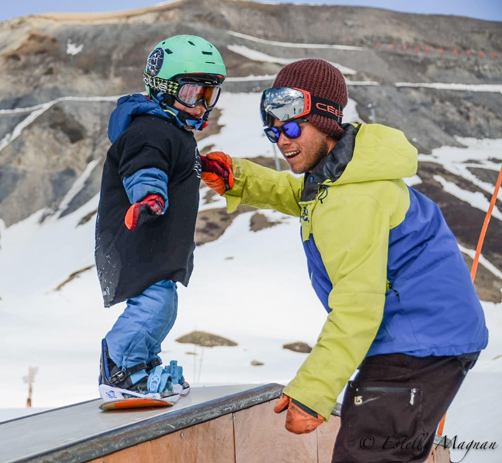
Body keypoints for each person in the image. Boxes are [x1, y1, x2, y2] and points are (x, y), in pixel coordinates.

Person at [200, 58, 488, 462]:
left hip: (421, 345)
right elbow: (305, 196)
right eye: (274, 131)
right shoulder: (346, 171)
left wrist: (312, 392)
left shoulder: (354, 198)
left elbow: (357, 307)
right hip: (429, 335)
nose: (282, 141)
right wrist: (240, 179)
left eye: (292, 127)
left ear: (327, 120)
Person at [95, 35, 226, 404]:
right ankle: (119, 364)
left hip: (158, 242)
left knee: (163, 305)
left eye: (208, 95)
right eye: (191, 93)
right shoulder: (150, 129)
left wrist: (200, 167)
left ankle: (143, 365)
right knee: (154, 304)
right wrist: (148, 195)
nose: (201, 105)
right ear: (162, 88)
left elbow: (172, 164)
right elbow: (144, 165)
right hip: (139, 235)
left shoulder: (174, 132)